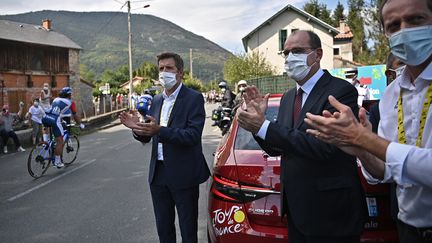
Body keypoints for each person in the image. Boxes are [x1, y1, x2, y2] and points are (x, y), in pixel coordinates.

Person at [304, 0, 432, 242]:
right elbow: (383, 172)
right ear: (386, 34)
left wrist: (364, 138)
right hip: (408, 230)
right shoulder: (391, 95)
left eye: (415, 19)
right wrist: (361, 150)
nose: (405, 30)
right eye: (394, 25)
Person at [236, 30, 366, 243]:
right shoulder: (288, 97)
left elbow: (324, 147)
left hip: (332, 213)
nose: (289, 58)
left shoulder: (340, 92)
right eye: (286, 53)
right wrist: (256, 127)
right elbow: (278, 146)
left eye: (297, 51)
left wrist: (264, 126)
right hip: (297, 211)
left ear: (318, 54)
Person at [119, 52, 210, 243]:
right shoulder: (156, 100)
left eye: (169, 68)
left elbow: (192, 136)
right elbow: (148, 136)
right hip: (158, 173)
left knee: (188, 229)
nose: (164, 72)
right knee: (163, 228)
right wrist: (137, 128)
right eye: (161, 68)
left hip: (184, 173)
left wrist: (160, 129)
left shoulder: (193, 98)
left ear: (180, 73)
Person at [42, 87, 84, 168]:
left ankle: (46, 143)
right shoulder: (70, 102)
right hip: (55, 120)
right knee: (60, 142)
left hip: (46, 117)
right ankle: (57, 162)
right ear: (69, 95)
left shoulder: (55, 99)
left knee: (53, 138)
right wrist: (80, 124)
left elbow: (56, 110)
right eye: (71, 94)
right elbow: (75, 115)